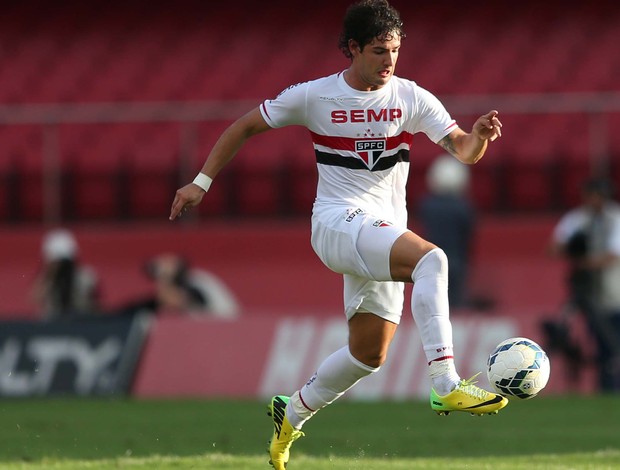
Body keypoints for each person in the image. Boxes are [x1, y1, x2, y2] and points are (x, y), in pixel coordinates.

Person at [169, 1, 507, 468]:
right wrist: (200, 182)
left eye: (395, 50)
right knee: (433, 260)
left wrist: (480, 135)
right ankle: (446, 384)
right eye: (378, 51)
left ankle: (293, 412)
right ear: (351, 48)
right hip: (335, 221)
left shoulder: (411, 97)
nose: (389, 61)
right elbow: (244, 126)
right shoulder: (314, 96)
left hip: (380, 232)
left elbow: (465, 151)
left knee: (369, 355)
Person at [549, 178, 620, 392]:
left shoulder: (615, 219)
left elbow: (613, 254)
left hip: (613, 290)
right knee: (597, 340)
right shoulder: (578, 219)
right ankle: (604, 385)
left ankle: (611, 385)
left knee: (612, 340)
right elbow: (554, 247)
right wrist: (571, 247)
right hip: (589, 291)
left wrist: (584, 261)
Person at [417, 154, 475, 308]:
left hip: (432, 261)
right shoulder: (463, 207)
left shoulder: (427, 205)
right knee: (454, 305)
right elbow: (468, 237)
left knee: (434, 305)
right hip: (456, 261)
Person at [117, 253, 240, 318]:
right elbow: (148, 304)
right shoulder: (172, 288)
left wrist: (164, 277)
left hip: (226, 329)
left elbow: (175, 300)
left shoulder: (197, 281)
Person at [30, 228, 100, 320]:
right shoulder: (47, 278)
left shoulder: (86, 276)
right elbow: (34, 298)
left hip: (81, 321)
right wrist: (51, 274)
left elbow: (96, 304)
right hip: (53, 324)